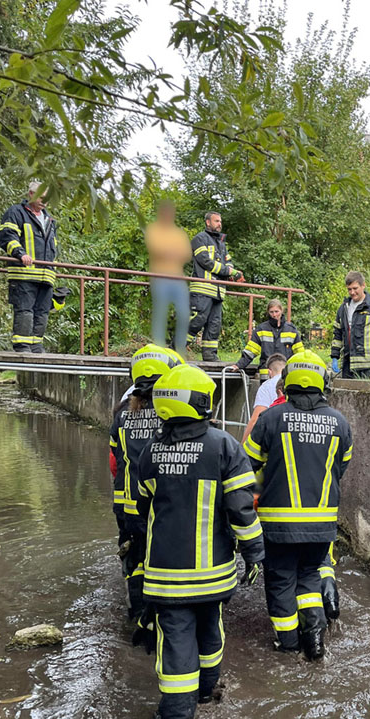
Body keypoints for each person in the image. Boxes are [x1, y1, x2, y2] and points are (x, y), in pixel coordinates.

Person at [136, 363, 264, 719]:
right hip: (214, 573)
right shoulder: (224, 445)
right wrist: (254, 552)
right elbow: (241, 509)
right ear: (199, 403)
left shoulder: (151, 451)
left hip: (166, 576)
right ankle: (206, 692)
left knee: (175, 640)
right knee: (211, 629)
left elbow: (143, 510)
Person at [244, 350, 353, 660]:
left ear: (287, 382)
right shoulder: (340, 423)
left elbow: (247, 468)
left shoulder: (270, 419)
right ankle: (315, 639)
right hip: (321, 526)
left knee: (280, 581)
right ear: (323, 382)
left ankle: (288, 644)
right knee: (308, 576)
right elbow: (340, 469)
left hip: (277, 526)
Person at [110, 345, 183, 619]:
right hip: (162, 506)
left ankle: (138, 616)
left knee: (134, 559)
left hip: (127, 507)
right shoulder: (173, 414)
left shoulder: (122, 414)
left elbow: (114, 463)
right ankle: (163, 617)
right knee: (162, 560)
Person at [0, 181, 58, 353]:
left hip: (45, 275)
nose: (44, 201)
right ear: (31, 194)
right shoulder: (16, 213)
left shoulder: (49, 219)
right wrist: (19, 253)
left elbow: (53, 247)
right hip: (23, 273)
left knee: (42, 312)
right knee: (25, 310)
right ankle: (23, 346)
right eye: (41, 197)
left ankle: (36, 345)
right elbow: (7, 237)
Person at [187, 211, 244, 361]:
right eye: (216, 221)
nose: (220, 224)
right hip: (202, 289)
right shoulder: (199, 239)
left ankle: (210, 355)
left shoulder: (221, 243)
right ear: (208, 222)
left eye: (220, 221)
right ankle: (175, 348)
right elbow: (206, 262)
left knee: (214, 325)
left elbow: (228, 261)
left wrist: (233, 273)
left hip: (218, 291)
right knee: (197, 321)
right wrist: (229, 271)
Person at [144, 200, 192, 357]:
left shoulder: (179, 233)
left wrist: (170, 252)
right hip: (159, 277)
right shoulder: (153, 230)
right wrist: (172, 252)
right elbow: (156, 249)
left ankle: (180, 348)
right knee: (161, 312)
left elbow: (187, 254)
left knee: (184, 313)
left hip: (178, 278)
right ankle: (158, 347)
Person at [330, 272, 370, 378]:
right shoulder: (343, 309)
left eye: (355, 288)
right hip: (349, 366)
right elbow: (337, 335)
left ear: (363, 285)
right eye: (349, 289)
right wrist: (334, 356)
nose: (352, 292)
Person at [231, 298, 304, 381]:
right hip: (266, 374)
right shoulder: (261, 329)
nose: (274, 315)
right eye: (271, 312)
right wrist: (238, 365)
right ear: (268, 312)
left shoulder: (291, 330)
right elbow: (251, 351)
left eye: (276, 311)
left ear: (281, 311)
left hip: (285, 374)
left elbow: (300, 354)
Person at [241, 353, 287, 444]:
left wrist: (242, 446)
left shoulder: (267, 386)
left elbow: (255, 419)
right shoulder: (292, 383)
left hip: (273, 437)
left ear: (269, 372)